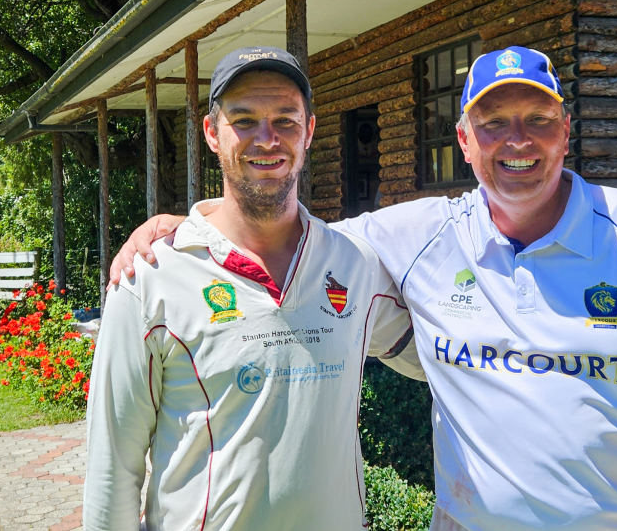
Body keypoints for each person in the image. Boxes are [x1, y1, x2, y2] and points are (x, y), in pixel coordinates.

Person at [110, 46, 617, 531]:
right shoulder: (421, 234)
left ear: (566, 131)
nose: (516, 141)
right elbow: (284, 230)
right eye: (493, 123)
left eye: (538, 118)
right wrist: (187, 225)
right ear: (464, 140)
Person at [84, 47, 421, 531]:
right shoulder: (150, 278)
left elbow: (440, 356)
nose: (267, 139)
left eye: (285, 120)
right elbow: (112, 469)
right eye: (244, 120)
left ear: (308, 132)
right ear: (212, 134)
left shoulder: (354, 265)